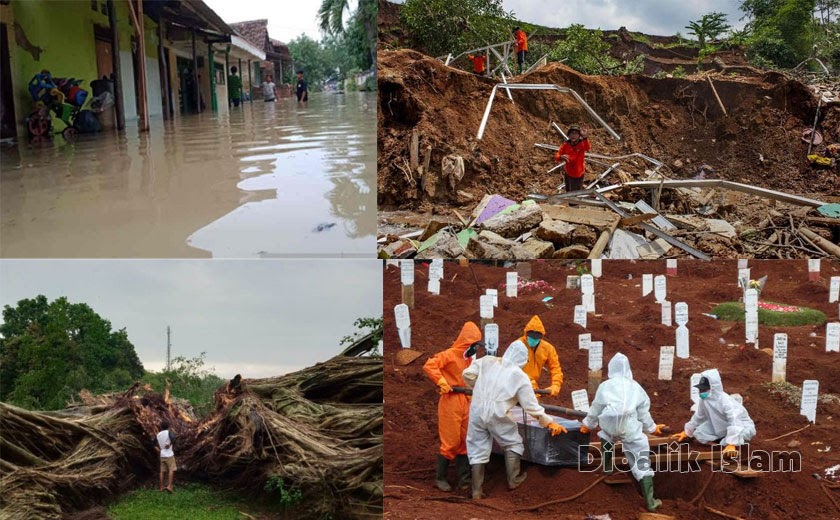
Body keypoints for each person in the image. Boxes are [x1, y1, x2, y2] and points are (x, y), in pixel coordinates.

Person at [463, 341, 567, 499]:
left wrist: (479, 388)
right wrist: (548, 421)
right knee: (512, 442)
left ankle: (476, 491)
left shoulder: (487, 361)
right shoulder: (519, 376)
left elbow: (467, 374)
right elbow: (531, 406)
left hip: (477, 409)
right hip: (497, 412)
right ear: (522, 360)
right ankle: (514, 480)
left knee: (477, 447)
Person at [580, 353, 667, 512]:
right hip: (629, 425)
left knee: (606, 436)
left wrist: (588, 424)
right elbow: (643, 414)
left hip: (609, 422)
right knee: (640, 457)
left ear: (611, 369)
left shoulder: (605, 386)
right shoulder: (636, 387)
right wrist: (653, 428)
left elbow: (596, 408)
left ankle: (607, 470)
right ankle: (650, 502)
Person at [423, 322, 483, 492]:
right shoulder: (449, 355)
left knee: (465, 439)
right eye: (474, 345)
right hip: (450, 400)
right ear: (467, 343)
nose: (476, 349)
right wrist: (441, 381)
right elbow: (429, 365)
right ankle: (440, 477)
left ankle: (464, 480)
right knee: (451, 441)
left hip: (467, 399)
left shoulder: (470, 359)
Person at [671, 369, 756, 457]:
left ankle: (731, 445)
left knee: (734, 438)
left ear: (713, 387)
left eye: (704, 389)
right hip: (721, 425)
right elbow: (698, 417)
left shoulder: (726, 402)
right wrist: (687, 432)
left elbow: (735, 422)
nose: (701, 392)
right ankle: (717, 445)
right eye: (701, 389)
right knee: (699, 433)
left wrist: (732, 443)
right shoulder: (704, 400)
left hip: (742, 426)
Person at [509, 315, 563, 397]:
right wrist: (528, 381)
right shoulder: (518, 346)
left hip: (533, 389)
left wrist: (556, 385)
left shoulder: (547, 348)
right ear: (526, 334)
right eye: (531, 338)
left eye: (536, 338)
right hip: (515, 387)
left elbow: (555, 368)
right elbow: (509, 368)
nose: (533, 340)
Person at [554, 124, 591, 193]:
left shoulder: (581, 144)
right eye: (572, 133)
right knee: (568, 191)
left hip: (577, 175)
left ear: (579, 135)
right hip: (568, 173)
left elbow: (587, 147)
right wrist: (560, 157)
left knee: (574, 195)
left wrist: (585, 137)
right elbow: (557, 155)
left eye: (576, 133)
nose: (573, 135)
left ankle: (574, 204)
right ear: (569, 135)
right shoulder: (566, 145)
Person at [156, 421, 177, 492]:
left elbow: (152, 443)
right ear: (168, 426)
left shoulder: (158, 434)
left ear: (161, 427)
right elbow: (174, 438)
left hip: (162, 455)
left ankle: (161, 487)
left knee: (162, 471)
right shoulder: (169, 432)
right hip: (169, 454)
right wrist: (169, 444)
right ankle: (169, 486)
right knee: (171, 469)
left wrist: (158, 449)